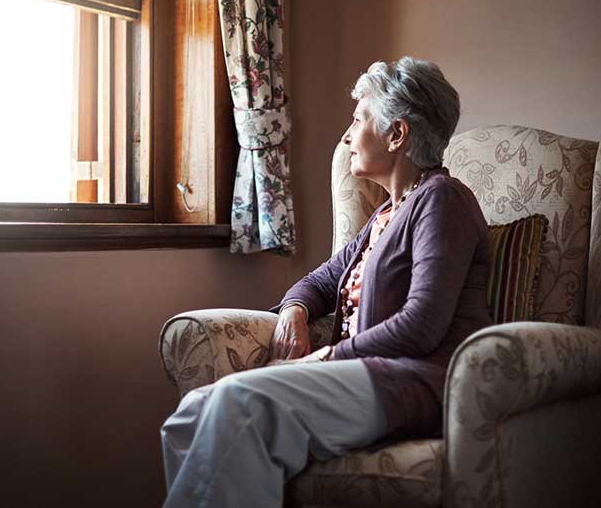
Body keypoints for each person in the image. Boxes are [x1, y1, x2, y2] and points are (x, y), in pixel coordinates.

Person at [160, 56, 492, 508]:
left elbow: (424, 323)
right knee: (190, 416)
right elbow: (320, 279)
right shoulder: (385, 214)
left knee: (237, 404)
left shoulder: (442, 200)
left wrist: (327, 356)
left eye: (358, 120)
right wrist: (295, 310)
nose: (346, 135)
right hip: (367, 375)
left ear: (397, 134)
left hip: (416, 383)